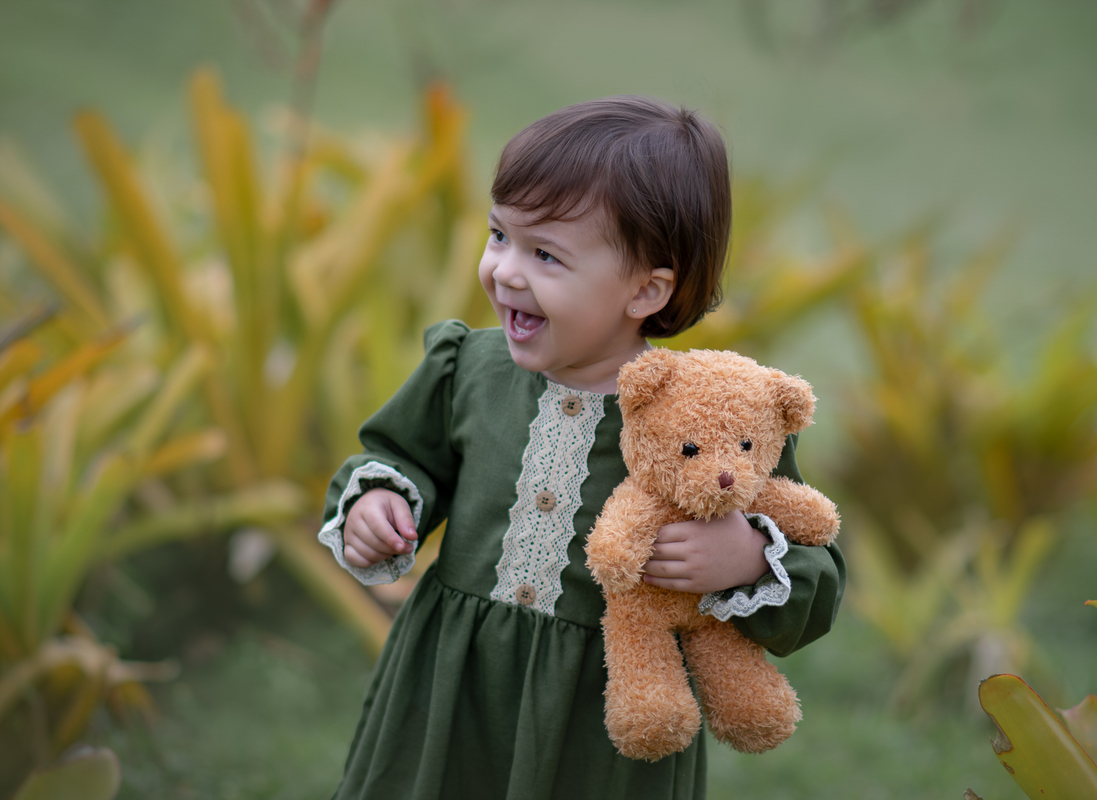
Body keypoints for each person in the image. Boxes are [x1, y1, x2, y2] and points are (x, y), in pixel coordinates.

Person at [318, 96, 846, 800]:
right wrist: (377, 500)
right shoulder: (465, 369)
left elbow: (815, 560)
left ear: (647, 288)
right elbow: (402, 457)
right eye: (499, 234)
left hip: (601, 725)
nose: (505, 270)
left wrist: (746, 558)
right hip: (451, 684)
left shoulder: (708, 415)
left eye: (545, 254)